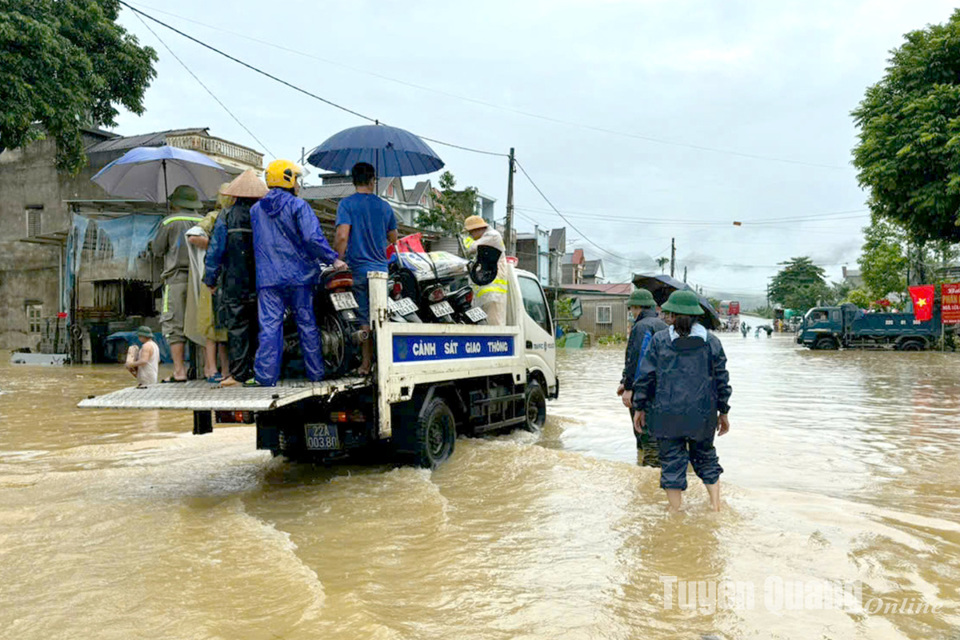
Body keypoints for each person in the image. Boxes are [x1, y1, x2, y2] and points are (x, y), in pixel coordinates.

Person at [632, 290, 732, 512]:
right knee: (706, 458)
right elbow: (722, 380)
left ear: (673, 316)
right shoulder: (712, 342)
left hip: (667, 415)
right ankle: (715, 506)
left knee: (671, 462)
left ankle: (676, 512)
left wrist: (639, 407)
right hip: (703, 415)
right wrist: (723, 412)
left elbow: (646, 376)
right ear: (695, 316)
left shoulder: (660, 341)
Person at [252, 159, 345, 387]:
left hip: (268, 279)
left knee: (270, 327)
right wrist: (333, 259)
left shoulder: (256, 210)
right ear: (288, 179)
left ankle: (265, 378)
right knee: (307, 324)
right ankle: (315, 373)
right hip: (299, 277)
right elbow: (312, 238)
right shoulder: (299, 206)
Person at [334, 162, 398, 375]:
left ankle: (365, 364)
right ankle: (384, 361)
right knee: (381, 315)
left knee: (363, 317)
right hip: (381, 270)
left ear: (353, 181)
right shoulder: (385, 206)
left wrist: (338, 259)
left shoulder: (346, 205)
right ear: (373, 181)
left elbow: (342, 235)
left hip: (359, 269)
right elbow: (393, 238)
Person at [204, 170, 267, 387]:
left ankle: (239, 375)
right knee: (261, 326)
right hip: (263, 281)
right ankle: (262, 372)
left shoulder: (227, 216)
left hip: (234, 280)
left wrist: (210, 279)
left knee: (238, 326)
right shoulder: (264, 215)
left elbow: (215, 251)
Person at [151, 185, 205, 382]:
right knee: (201, 324)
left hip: (177, 280)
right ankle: (205, 370)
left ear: (175, 202)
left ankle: (180, 372)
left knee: (175, 326)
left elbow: (157, 249)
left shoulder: (169, 221)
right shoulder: (204, 220)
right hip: (201, 281)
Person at [186, 184, 231, 383]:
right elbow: (193, 237)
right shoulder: (214, 217)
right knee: (212, 327)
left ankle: (225, 370)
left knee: (223, 329)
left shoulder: (233, 216)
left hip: (226, 276)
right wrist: (215, 244)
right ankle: (211, 369)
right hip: (213, 279)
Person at [618, 288, 667, 465]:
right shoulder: (664, 325)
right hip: (661, 389)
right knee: (656, 435)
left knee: (644, 434)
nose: (630, 312)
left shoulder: (641, 327)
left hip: (643, 391)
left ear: (637, 307)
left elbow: (637, 359)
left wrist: (629, 387)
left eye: (631, 308)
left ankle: (647, 480)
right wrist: (625, 381)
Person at [462, 215, 508, 325]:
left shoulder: (492, 236)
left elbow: (470, 248)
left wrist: (464, 238)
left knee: (494, 324)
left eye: (471, 233)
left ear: (477, 229)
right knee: (484, 324)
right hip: (485, 290)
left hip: (494, 292)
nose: (471, 236)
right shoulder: (486, 239)